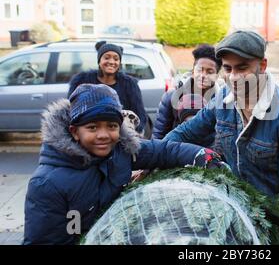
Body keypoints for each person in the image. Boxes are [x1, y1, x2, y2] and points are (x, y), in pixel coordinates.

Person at [23, 84, 225, 245]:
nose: (103, 135)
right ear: (75, 131)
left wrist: (201, 154)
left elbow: (164, 151)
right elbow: (46, 239)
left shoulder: (121, 151)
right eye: (92, 127)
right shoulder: (47, 183)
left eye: (111, 126)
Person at [164, 30, 279, 222]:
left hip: (271, 222)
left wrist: (270, 231)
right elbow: (185, 133)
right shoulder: (222, 99)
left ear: (262, 66)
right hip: (230, 214)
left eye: (242, 68)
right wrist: (152, 158)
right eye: (228, 69)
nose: (234, 77)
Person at [68, 41, 147, 135]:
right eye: (107, 57)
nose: (111, 62)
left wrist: (130, 136)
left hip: (121, 136)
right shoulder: (81, 81)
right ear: (99, 61)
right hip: (88, 135)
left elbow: (140, 114)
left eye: (116, 59)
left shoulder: (130, 84)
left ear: (119, 63)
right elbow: (71, 111)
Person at [152, 44, 222, 142]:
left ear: (216, 76)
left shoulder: (221, 102)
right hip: (175, 152)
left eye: (209, 72)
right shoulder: (172, 96)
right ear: (193, 72)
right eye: (199, 70)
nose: (203, 75)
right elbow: (159, 134)